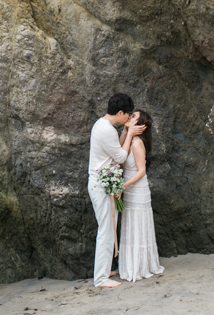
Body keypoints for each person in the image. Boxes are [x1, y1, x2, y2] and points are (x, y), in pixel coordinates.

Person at [88, 93, 146, 288]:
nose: (128, 118)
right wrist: (130, 133)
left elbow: (117, 147)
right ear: (120, 112)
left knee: (109, 229)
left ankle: (104, 270)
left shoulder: (104, 125)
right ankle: (101, 279)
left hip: (103, 183)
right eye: (127, 115)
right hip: (101, 185)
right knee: (106, 230)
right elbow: (121, 157)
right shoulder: (106, 130)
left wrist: (125, 131)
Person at [118, 110, 164, 282]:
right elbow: (119, 153)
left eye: (134, 116)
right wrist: (125, 130)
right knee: (130, 221)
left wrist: (123, 185)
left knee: (138, 221)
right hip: (129, 187)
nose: (130, 117)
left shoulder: (137, 143)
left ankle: (140, 265)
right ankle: (130, 263)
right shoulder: (130, 139)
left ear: (140, 125)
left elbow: (142, 171)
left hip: (136, 188)